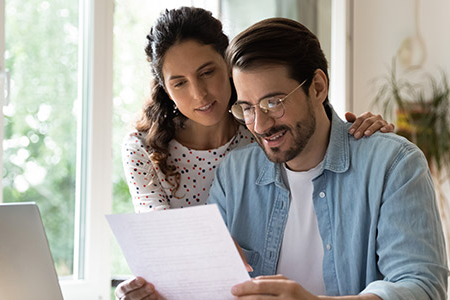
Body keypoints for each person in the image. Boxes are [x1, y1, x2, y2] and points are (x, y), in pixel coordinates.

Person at [116, 7, 395, 300]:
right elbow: (162, 248)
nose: (199, 94)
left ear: (229, 66)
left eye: (208, 72)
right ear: (166, 89)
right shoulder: (144, 149)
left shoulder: (261, 132)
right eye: (179, 83)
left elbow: (312, 120)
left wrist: (367, 140)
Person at [206, 18, 449, 300]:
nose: (260, 125)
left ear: (318, 87)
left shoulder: (393, 165)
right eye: (247, 108)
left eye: (273, 102)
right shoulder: (234, 175)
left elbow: (422, 287)